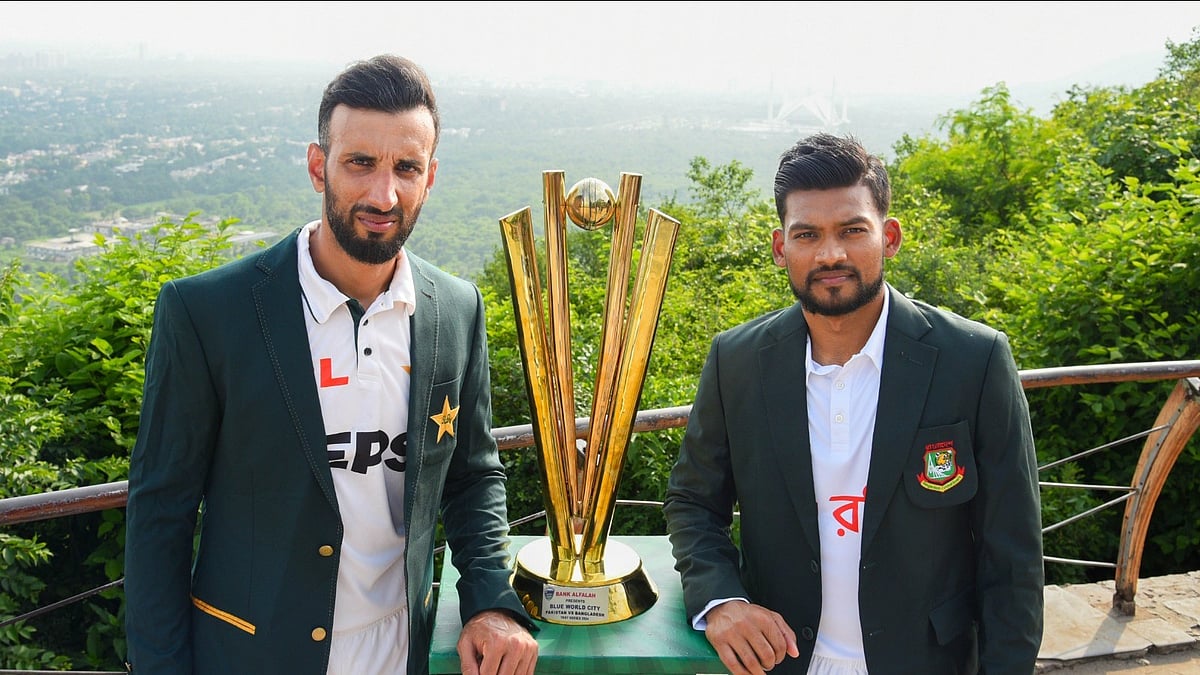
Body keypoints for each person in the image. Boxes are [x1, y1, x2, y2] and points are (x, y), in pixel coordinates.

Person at [124, 54, 538, 675]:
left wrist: (492, 604)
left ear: (431, 177)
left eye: (406, 167)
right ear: (319, 165)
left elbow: (473, 475)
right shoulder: (207, 312)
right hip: (252, 655)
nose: (383, 193)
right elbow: (161, 512)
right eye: (360, 163)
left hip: (404, 652)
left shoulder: (456, 308)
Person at [663, 132, 1043, 675]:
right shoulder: (738, 361)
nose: (830, 254)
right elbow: (693, 502)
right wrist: (722, 601)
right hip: (783, 662)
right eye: (807, 234)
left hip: (929, 662)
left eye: (851, 231)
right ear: (780, 248)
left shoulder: (973, 361)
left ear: (889, 237)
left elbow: (1014, 556)